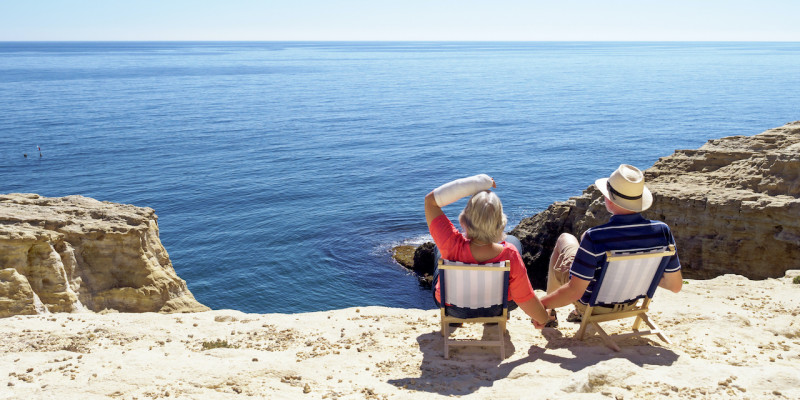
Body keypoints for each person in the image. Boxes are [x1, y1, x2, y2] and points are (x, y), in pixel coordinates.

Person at [539, 164, 683, 324]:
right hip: (631, 303)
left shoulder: (595, 236)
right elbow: (675, 286)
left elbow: (574, 292)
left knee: (565, 239)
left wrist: (540, 305)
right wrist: (642, 273)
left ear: (609, 199)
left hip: (592, 306)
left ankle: (549, 313)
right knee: (585, 242)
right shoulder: (663, 231)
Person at [424, 174, 552, 328]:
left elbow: (430, 201)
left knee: (440, 249)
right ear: (501, 223)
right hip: (496, 309)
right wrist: (543, 318)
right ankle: (492, 323)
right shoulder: (510, 254)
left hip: (453, 308)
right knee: (514, 242)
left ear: (463, 220)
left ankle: (455, 321)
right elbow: (525, 298)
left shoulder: (450, 243)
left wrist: (477, 183)